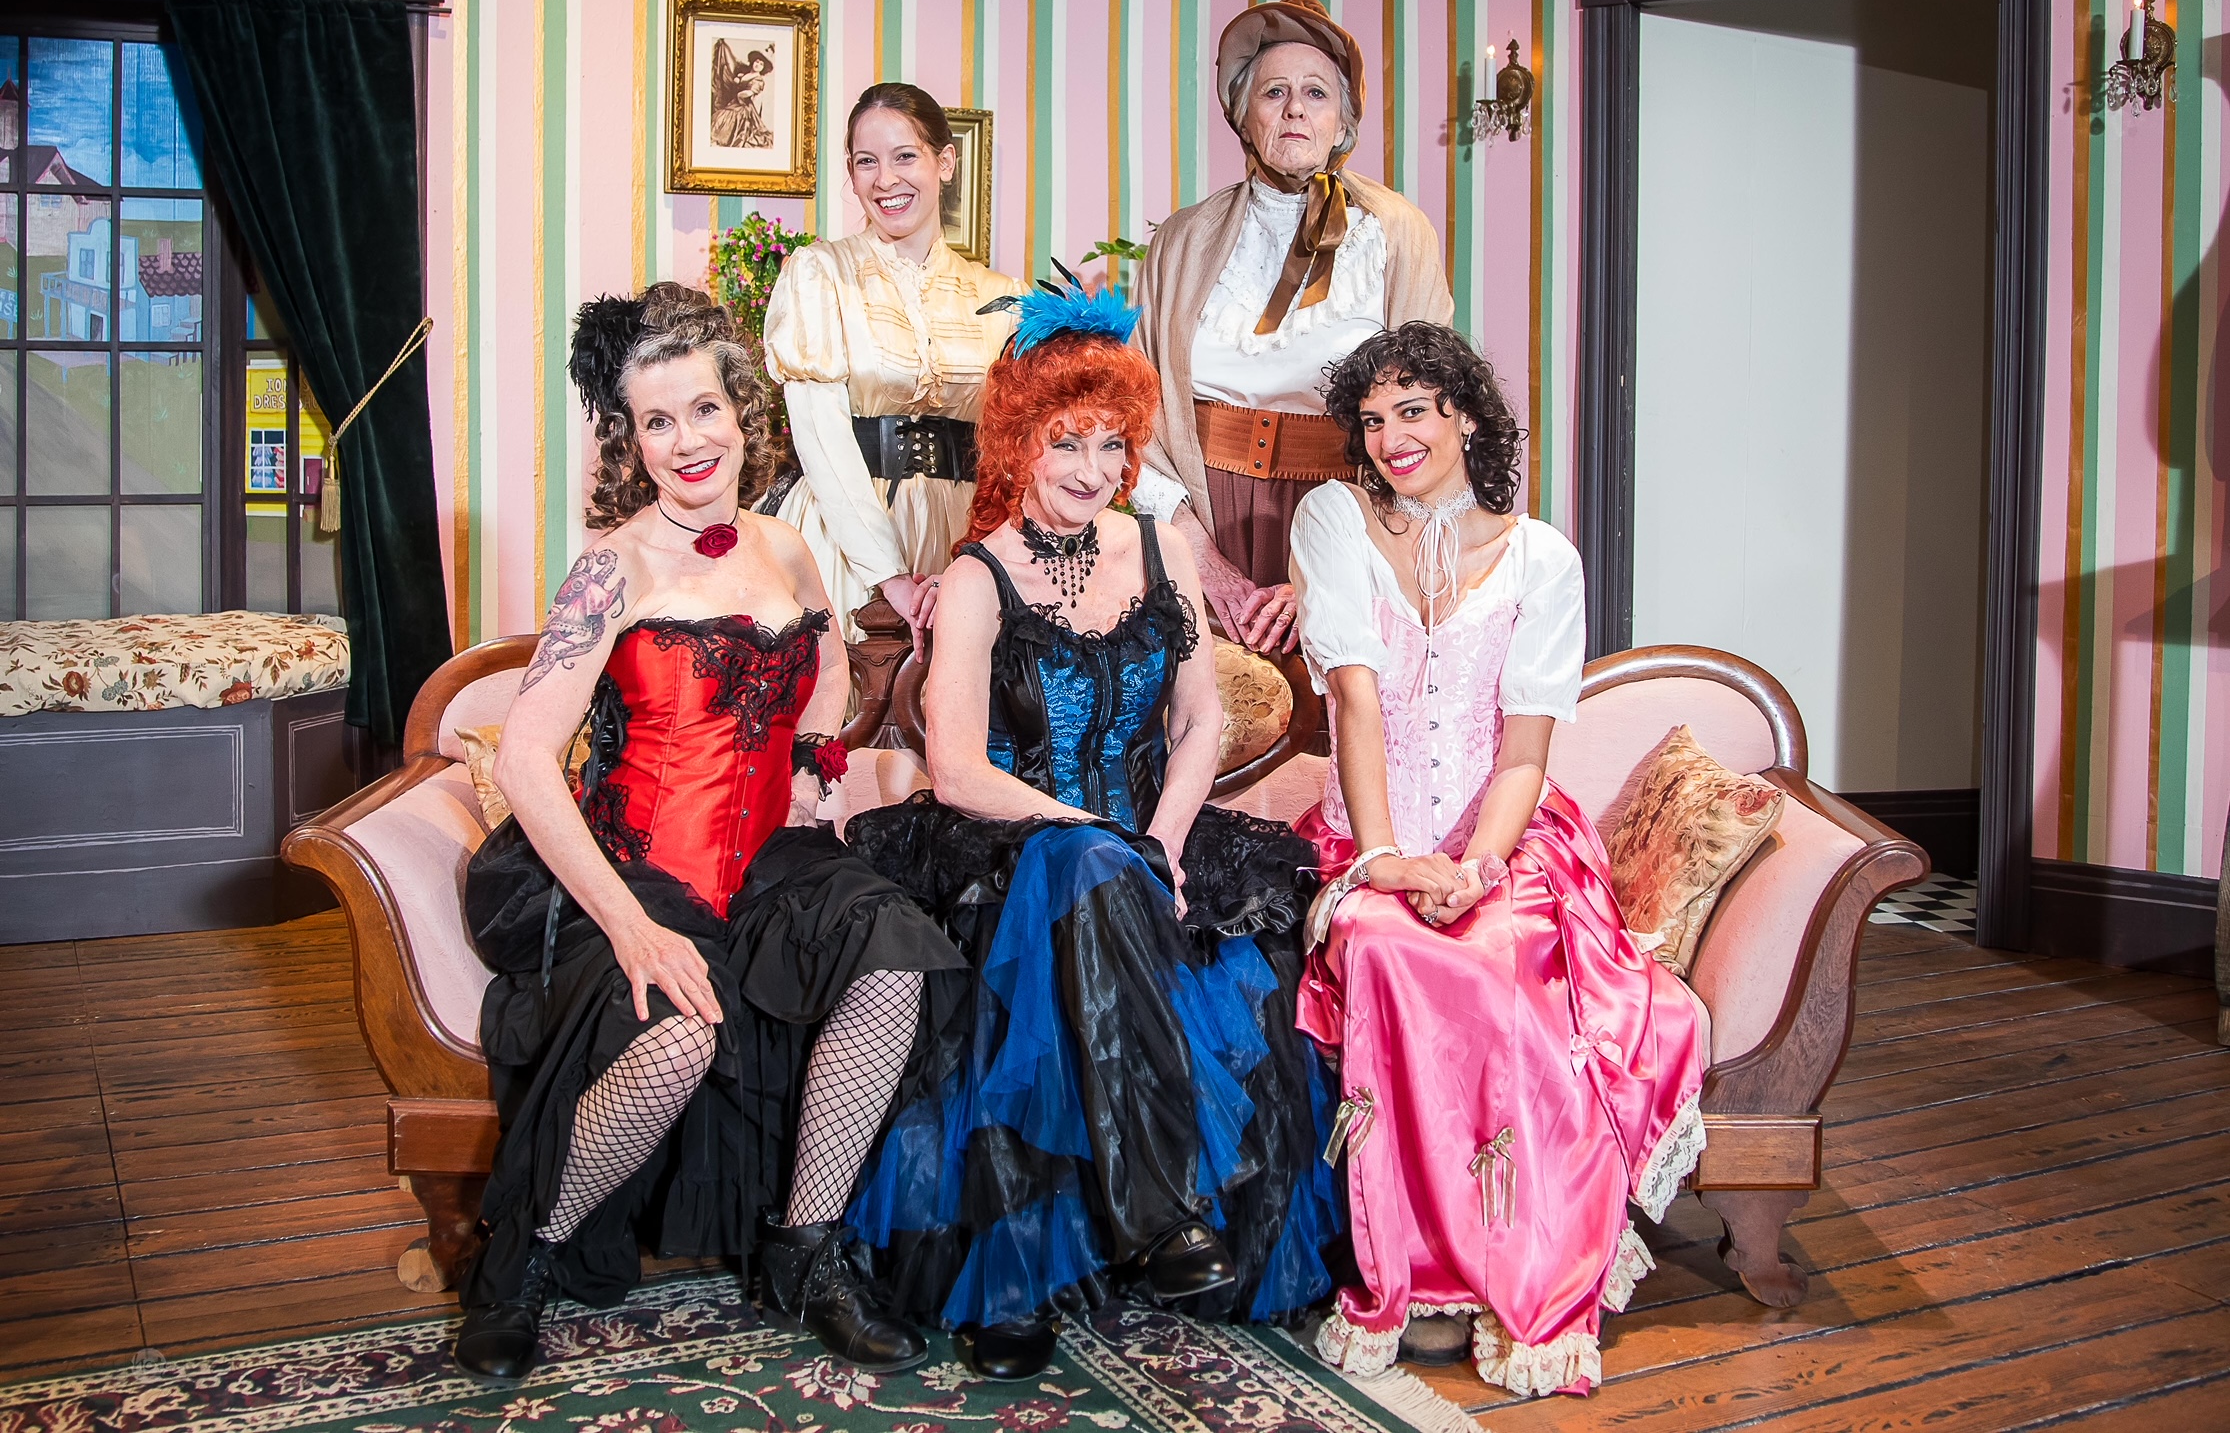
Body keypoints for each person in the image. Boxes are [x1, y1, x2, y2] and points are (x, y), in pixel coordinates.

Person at [452, 284, 965, 1385]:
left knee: (892, 956)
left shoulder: (787, 548)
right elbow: (527, 760)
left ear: (740, 412)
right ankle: (526, 1253)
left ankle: (806, 1248)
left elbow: (829, 671)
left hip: (769, 860)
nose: (688, 441)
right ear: (632, 442)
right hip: (640, 868)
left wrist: (813, 766)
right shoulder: (613, 568)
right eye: (657, 421)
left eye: (703, 410)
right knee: (678, 1034)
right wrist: (631, 928)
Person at [838, 280, 1339, 1382]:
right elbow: (958, 769)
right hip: (1011, 844)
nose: (1091, 468)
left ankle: (1123, 1233)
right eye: (1066, 441)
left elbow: (1201, 720)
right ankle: (1112, 1234)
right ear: (1019, 441)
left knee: (1234, 955)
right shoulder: (976, 578)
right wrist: (1098, 836)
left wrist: (1159, 843)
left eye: (1112, 444)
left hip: (1154, 839)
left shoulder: (1162, 550)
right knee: (1071, 889)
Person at [1288, 323, 1707, 1396]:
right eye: (1371, 420)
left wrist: (1477, 867)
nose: (1390, 437)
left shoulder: (1542, 557)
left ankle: (1504, 1273)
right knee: (1385, 948)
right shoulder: (1333, 520)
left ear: (1467, 416)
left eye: (1413, 411)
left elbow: (1524, 752)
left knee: (1505, 955)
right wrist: (1384, 861)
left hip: (1506, 836)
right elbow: (1354, 703)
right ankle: (1417, 1274)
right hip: (1372, 837)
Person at [1132, 0, 1453, 657]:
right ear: (1243, 114)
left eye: (1316, 92)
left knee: (1331, 702)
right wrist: (1194, 551)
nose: (1295, 109)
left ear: (1344, 120)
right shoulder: (1182, 240)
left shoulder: (1397, 234)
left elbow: (1431, 416)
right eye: (1274, 92)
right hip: (1205, 514)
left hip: (1350, 516)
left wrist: (1343, 561)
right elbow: (1134, 405)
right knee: (1206, 705)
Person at [762, 82, 1028, 644]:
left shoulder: (1003, 296)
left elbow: (1016, 450)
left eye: (905, 156)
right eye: (867, 162)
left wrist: (994, 558)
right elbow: (820, 437)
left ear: (945, 162)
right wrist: (888, 576)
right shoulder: (820, 274)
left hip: (963, 534)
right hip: (846, 537)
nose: (885, 180)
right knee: (858, 686)